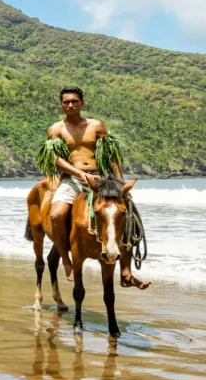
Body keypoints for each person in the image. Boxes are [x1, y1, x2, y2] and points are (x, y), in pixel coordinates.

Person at [45, 86, 146, 288]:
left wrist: (121, 183)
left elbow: (111, 156)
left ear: (82, 103)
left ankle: (126, 272)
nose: (70, 105)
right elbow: (54, 158)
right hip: (72, 179)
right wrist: (78, 173)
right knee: (56, 214)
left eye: (74, 101)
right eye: (66, 102)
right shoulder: (56, 129)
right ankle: (66, 260)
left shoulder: (96, 126)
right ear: (61, 104)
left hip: (100, 178)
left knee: (126, 215)